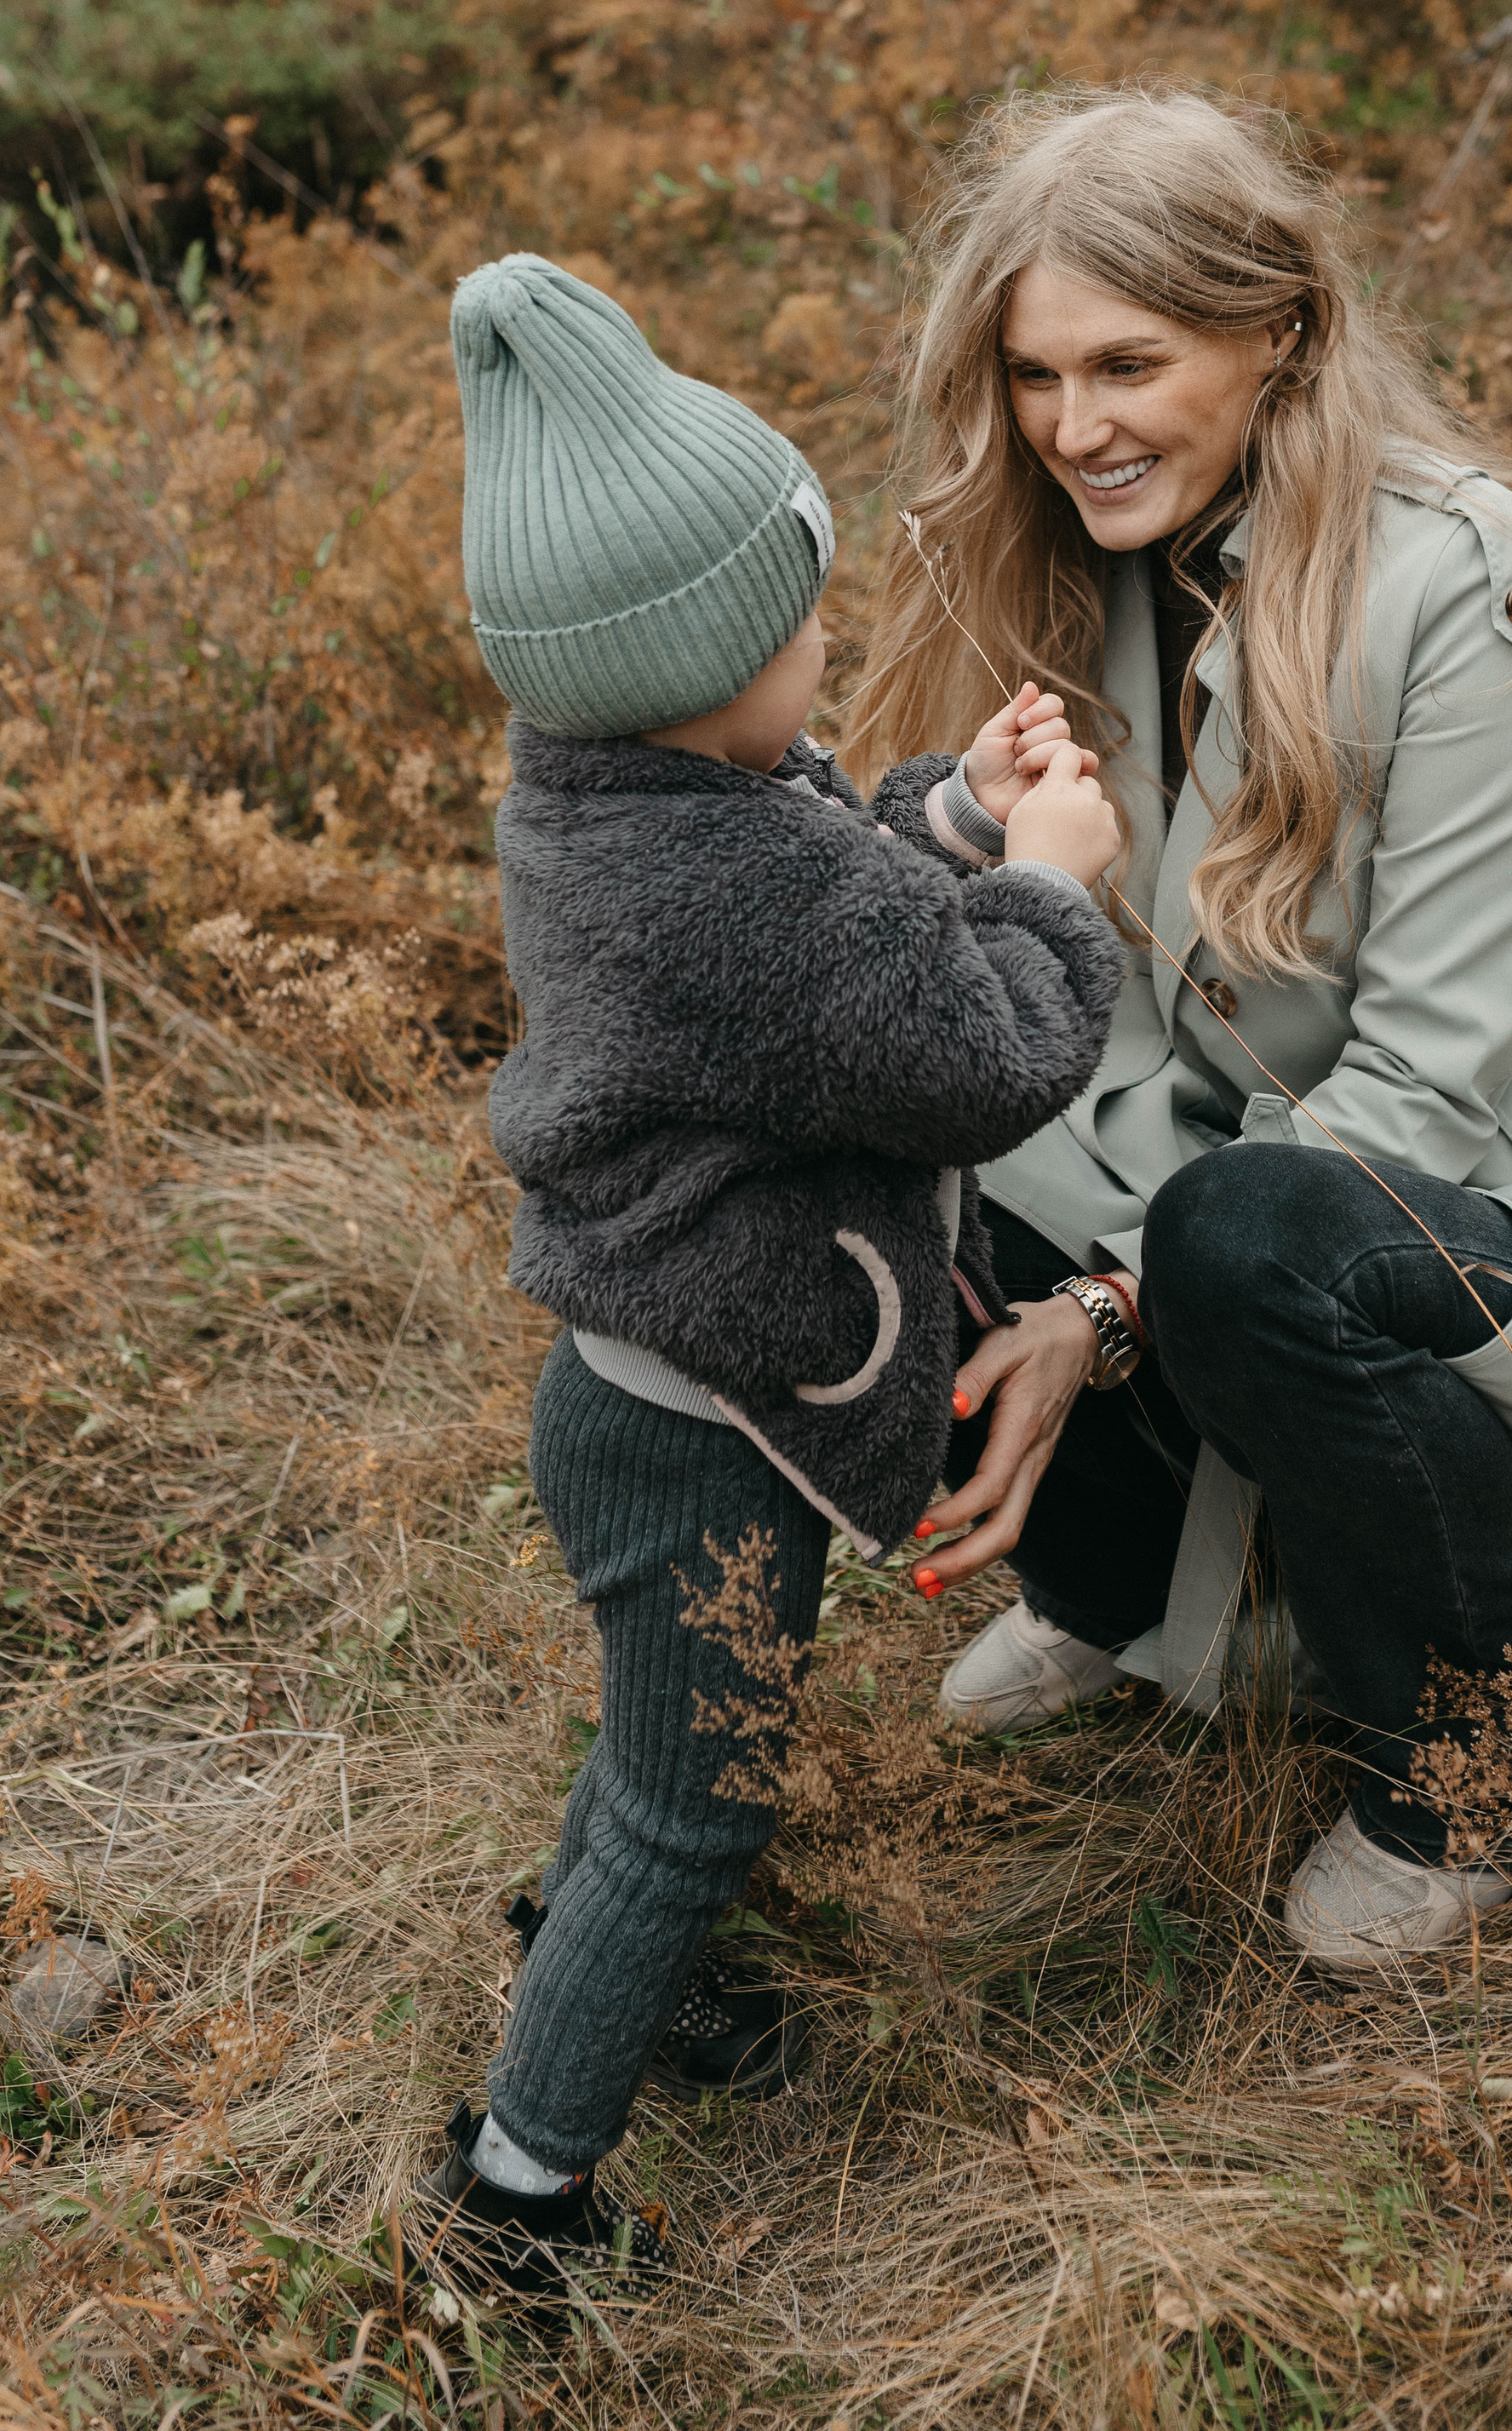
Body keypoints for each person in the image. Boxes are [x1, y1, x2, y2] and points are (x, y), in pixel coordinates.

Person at [846, 87, 1512, 1972]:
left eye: (1128, 364)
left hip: (1485, 1211)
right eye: (1034, 375)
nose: (1071, 427)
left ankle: (1510, 1733)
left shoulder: (1472, 588)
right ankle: (1161, 1596)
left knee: (1244, 1233)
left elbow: (1418, 1087)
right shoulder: (1072, 566)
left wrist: (1102, 1310)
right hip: (1217, 1168)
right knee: (872, 1106)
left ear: (1279, 331)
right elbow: (1071, 999)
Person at [417, 252, 1123, 2306]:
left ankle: (609, 1960)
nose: (826, 641)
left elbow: (834, 901)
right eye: (801, 619)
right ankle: (517, 2202)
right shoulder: (735, 881)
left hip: (648, 1393)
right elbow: (969, 1051)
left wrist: (948, 810)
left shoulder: (618, 793)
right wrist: (1046, 887)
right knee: (689, 1803)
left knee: (660, 1751)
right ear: (707, 652)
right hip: (702, 1435)